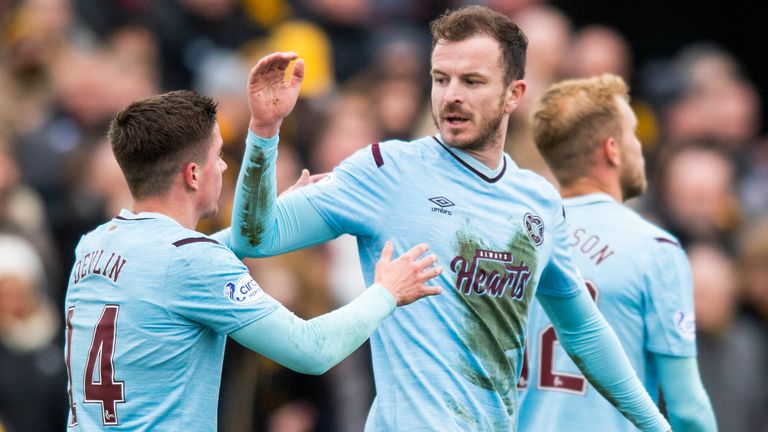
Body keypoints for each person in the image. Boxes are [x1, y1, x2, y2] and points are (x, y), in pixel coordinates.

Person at [230, 6, 672, 431]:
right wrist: (265, 133)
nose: (452, 94)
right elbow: (256, 237)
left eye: (472, 81)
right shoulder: (387, 170)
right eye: (441, 79)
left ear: (513, 94)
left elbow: (585, 332)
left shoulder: (538, 201)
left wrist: (655, 424)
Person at [62, 89, 443, 431]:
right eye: (218, 155)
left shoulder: (94, 245)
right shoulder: (191, 262)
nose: (225, 167)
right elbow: (311, 349)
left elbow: (183, 264)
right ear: (193, 174)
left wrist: (275, 210)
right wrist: (387, 292)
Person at [517, 74, 717, 430]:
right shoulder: (654, 250)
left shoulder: (512, 241)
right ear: (612, 149)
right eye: (632, 136)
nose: (639, 149)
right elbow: (686, 406)